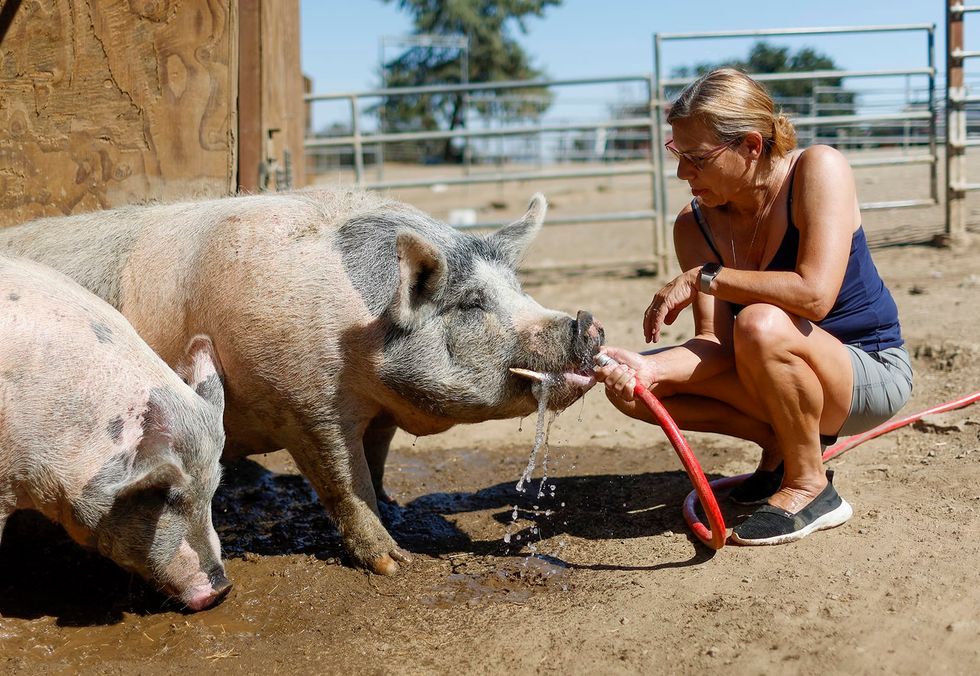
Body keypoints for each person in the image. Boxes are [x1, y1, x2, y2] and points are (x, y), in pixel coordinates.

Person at [594, 68, 913, 545]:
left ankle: (811, 485)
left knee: (762, 324)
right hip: (780, 367)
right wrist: (643, 369)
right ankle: (781, 447)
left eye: (697, 158)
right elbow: (716, 344)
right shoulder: (694, 225)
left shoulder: (818, 170)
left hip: (868, 370)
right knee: (640, 389)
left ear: (750, 145)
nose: (683, 173)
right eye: (677, 154)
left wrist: (706, 278)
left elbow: (814, 295)